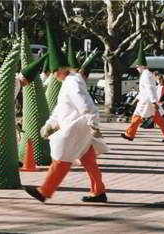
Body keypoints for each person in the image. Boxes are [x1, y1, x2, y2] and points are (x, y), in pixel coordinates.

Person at [24, 23, 108, 203]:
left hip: (76, 127)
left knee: (61, 158)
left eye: (54, 72)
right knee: (89, 160)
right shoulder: (69, 82)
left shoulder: (72, 82)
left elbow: (84, 102)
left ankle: (44, 191)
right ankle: (99, 191)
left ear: (60, 70)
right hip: (79, 125)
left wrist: (93, 122)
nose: (53, 75)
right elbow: (60, 108)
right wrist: (50, 123)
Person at [121, 41, 164, 142]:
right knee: (158, 119)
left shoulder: (146, 75)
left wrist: (154, 102)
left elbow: (150, 88)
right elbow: (143, 91)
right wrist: (134, 101)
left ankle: (130, 134)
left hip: (147, 101)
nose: (136, 68)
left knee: (136, 117)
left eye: (137, 66)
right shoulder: (146, 74)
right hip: (148, 101)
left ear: (141, 66)